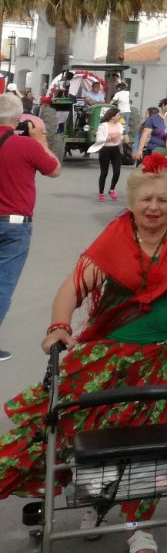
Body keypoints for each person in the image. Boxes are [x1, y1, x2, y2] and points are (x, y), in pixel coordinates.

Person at [0, 154, 167, 553]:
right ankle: (94, 501)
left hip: (166, 357)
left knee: (151, 439)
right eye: (146, 199)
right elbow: (73, 287)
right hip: (109, 355)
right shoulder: (115, 237)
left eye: (163, 200)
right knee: (85, 427)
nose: (153, 207)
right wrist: (59, 326)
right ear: (132, 201)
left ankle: (139, 526)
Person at [0, 94, 61, 361]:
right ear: (19, 118)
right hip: (14, 227)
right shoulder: (27, 146)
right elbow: (55, 169)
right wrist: (41, 140)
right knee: (2, 285)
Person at [93, 106, 126, 203]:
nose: (120, 117)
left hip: (116, 149)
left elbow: (120, 137)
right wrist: (110, 137)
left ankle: (112, 189)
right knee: (104, 172)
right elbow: (99, 139)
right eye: (118, 115)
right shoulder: (103, 126)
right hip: (105, 149)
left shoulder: (120, 125)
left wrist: (122, 138)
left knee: (117, 171)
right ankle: (101, 193)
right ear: (112, 116)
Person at [131, 99, 167, 163]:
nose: (145, 116)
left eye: (146, 114)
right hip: (148, 149)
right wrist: (137, 150)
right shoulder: (148, 123)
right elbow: (139, 138)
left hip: (163, 151)